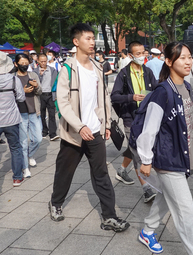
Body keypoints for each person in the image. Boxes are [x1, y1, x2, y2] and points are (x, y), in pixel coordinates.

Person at [49, 23, 130, 232]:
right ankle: (56, 203)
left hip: (95, 131)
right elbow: (62, 103)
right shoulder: (67, 68)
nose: (92, 42)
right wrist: (79, 125)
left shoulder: (96, 67)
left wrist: (106, 123)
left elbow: (102, 98)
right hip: (74, 134)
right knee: (65, 172)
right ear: (76, 42)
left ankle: (109, 217)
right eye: (88, 38)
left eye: (93, 38)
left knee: (101, 173)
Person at [137, 41, 193, 255]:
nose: (188, 61)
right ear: (168, 61)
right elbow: (149, 130)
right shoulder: (162, 92)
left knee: (167, 197)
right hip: (168, 159)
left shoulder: (185, 87)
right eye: (182, 57)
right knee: (185, 211)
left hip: (182, 156)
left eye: (189, 57)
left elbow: (190, 117)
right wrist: (146, 160)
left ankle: (147, 231)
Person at [111, 41, 158, 202]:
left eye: (143, 52)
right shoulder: (123, 74)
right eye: (137, 54)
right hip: (131, 119)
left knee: (134, 147)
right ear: (130, 56)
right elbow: (114, 96)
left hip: (147, 117)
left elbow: (157, 90)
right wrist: (132, 97)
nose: (142, 56)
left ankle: (122, 170)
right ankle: (147, 189)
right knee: (139, 153)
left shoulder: (148, 71)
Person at [0, 51, 26, 187]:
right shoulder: (13, 79)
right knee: (15, 148)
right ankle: (17, 177)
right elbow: (21, 98)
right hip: (11, 119)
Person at [14, 54, 43, 178]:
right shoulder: (12, 78)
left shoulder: (33, 75)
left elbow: (40, 91)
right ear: (16, 64)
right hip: (20, 113)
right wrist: (22, 92)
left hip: (34, 111)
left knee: (38, 138)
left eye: (27, 62)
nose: (24, 65)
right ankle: (25, 168)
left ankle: (29, 155)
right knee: (23, 143)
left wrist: (36, 87)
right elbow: (10, 97)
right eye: (22, 62)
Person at [33, 54, 59, 141]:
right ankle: (44, 130)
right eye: (41, 61)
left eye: (45, 61)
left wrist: (56, 95)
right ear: (38, 61)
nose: (43, 63)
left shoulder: (52, 70)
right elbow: (35, 83)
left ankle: (53, 133)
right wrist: (40, 75)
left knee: (52, 115)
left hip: (50, 94)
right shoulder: (35, 71)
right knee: (42, 114)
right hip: (40, 95)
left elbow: (56, 83)